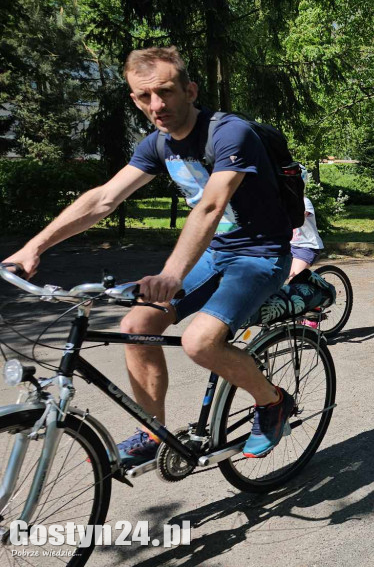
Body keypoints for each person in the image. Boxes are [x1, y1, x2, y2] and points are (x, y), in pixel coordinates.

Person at [2, 46, 296, 465]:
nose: (156, 106)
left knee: (199, 342)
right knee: (136, 323)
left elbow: (211, 206)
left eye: (165, 92)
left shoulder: (230, 133)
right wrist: (34, 248)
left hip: (259, 256)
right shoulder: (158, 144)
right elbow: (104, 199)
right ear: (134, 99)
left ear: (190, 90)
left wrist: (172, 273)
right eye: (144, 97)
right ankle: (152, 432)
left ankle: (272, 402)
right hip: (213, 254)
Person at [289, 168, 325, 281]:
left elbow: (294, 218)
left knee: (294, 280)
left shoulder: (304, 202)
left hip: (306, 247)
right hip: (287, 246)